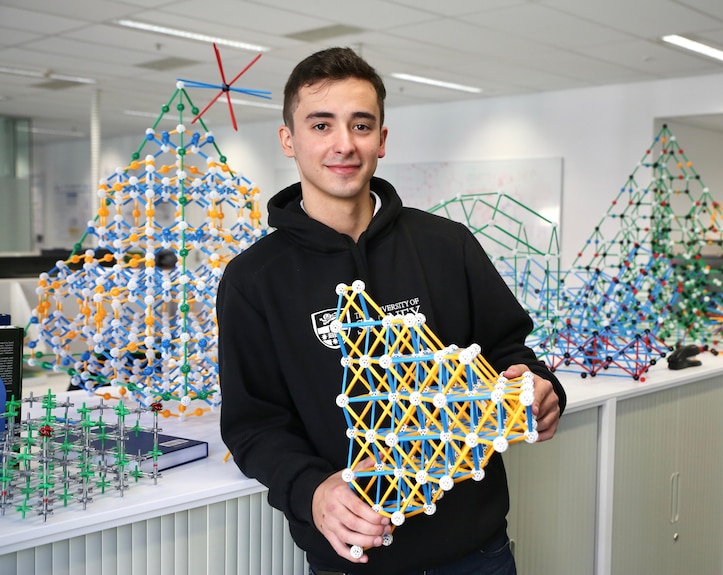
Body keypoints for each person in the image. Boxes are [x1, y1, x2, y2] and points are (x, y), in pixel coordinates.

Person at [217, 46, 566, 575]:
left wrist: (541, 387)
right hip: (355, 560)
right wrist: (312, 492)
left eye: (361, 125)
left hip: (478, 553)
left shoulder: (448, 244)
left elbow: (510, 349)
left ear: (381, 139)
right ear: (289, 140)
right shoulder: (253, 279)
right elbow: (253, 426)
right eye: (321, 124)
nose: (343, 144)